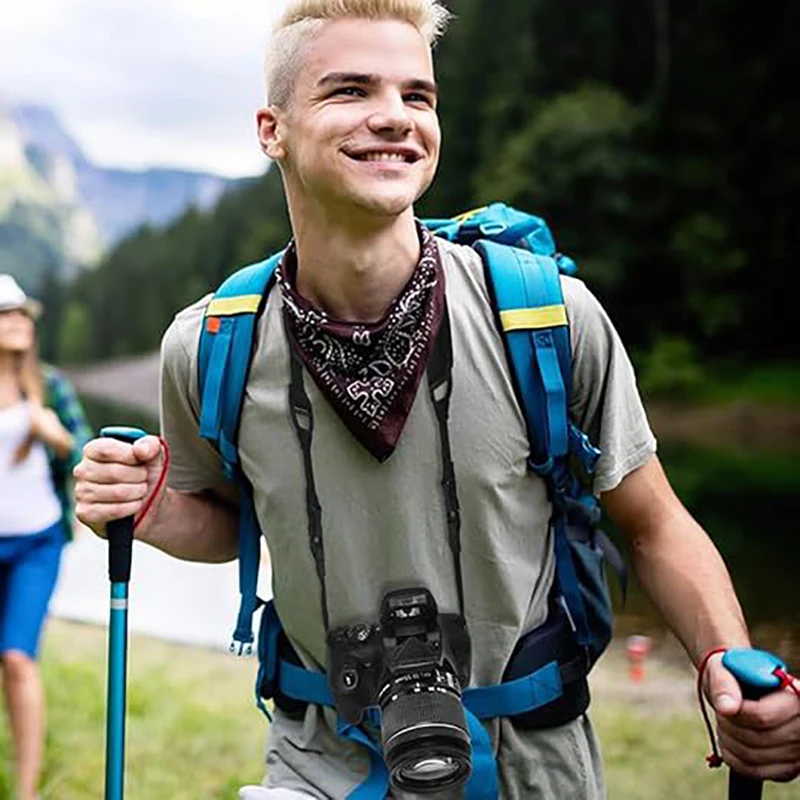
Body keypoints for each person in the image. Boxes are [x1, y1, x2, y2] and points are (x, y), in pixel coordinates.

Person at [73, 1, 800, 797]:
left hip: (532, 767)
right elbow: (230, 521)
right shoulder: (213, 347)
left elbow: (653, 523)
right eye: (351, 90)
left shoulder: (547, 319)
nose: (394, 118)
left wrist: (724, 661)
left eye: (417, 96)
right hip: (322, 762)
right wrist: (149, 510)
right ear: (271, 129)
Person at [0, 274, 93, 800]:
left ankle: (27, 790)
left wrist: (59, 437)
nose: (16, 322)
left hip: (36, 542)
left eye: (22, 315)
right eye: (5, 313)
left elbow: (86, 455)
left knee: (17, 656)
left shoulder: (50, 385)